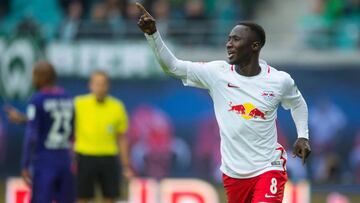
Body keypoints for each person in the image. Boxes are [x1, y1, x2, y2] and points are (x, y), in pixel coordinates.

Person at [135, 3, 311, 203]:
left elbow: (298, 103)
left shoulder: (279, 80)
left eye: (236, 39)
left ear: (255, 46)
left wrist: (303, 136)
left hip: (269, 167)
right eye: (228, 39)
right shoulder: (217, 73)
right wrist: (153, 35)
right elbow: (173, 67)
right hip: (234, 172)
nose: (229, 44)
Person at [5, 61, 75, 203]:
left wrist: (25, 165)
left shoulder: (37, 99)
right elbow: (69, 131)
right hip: (65, 160)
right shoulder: (67, 98)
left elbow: (32, 135)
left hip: (45, 161)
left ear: (39, 77)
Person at [74, 70, 132, 203]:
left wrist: (126, 165)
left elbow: (122, 138)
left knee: (109, 197)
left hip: (108, 157)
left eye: (103, 84)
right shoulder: (79, 104)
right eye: (97, 84)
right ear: (90, 85)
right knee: (81, 197)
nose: (100, 88)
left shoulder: (117, 107)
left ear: (108, 86)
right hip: (85, 156)